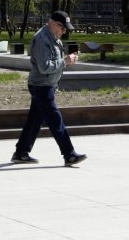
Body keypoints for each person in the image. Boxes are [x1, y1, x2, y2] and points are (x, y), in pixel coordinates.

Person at [11, 10, 87, 166]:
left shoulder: (53, 38)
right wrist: (65, 61)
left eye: (65, 28)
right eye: (62, 27)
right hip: (41, 86)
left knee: (34, 121)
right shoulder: (42, 39)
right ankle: (69, 154)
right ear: (52, 23)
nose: (64, 31)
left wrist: (65, 61)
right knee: (55, 120)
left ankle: (21, 152)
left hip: (46, 85)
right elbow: (44, 67)